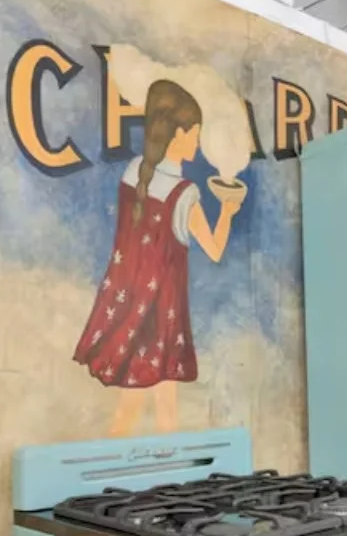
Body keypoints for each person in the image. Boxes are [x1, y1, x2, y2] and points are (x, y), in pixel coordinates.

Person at [71, 78, 244, 435]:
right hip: (161, 315)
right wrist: (227, 210)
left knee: (150, 406)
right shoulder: (185, 194)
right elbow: (214, 249)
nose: (197, 142)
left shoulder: (134, 171)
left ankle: (148, 476)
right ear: (179, 134)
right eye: (195, 133)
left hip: (129, 305)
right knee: (151, 407)